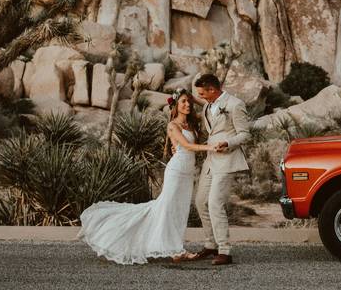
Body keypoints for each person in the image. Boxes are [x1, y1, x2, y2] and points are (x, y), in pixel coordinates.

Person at [78, 90, 216, 264]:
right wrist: (210, 148)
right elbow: (187, 146)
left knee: (180, 211)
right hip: (176, 171)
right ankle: (172, 249)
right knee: (166, 209)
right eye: (183, 102)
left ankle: (176, 249)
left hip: (188, 175)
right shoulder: (173, 125)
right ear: (175, 105)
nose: (187, 105)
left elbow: (210, 107)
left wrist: (193, 97)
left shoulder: (191, 124)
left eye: (189, 102)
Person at [189, 73, 251, 266]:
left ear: (212, 89)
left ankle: (224, 250)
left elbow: (245, 134)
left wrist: (228, 142)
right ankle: (211, 244)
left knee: (215, 203)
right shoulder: (208, 106)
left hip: (226, 161)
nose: (201, 97)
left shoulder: (235, 104)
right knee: (200, 202)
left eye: (203, 93)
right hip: (210, 161)